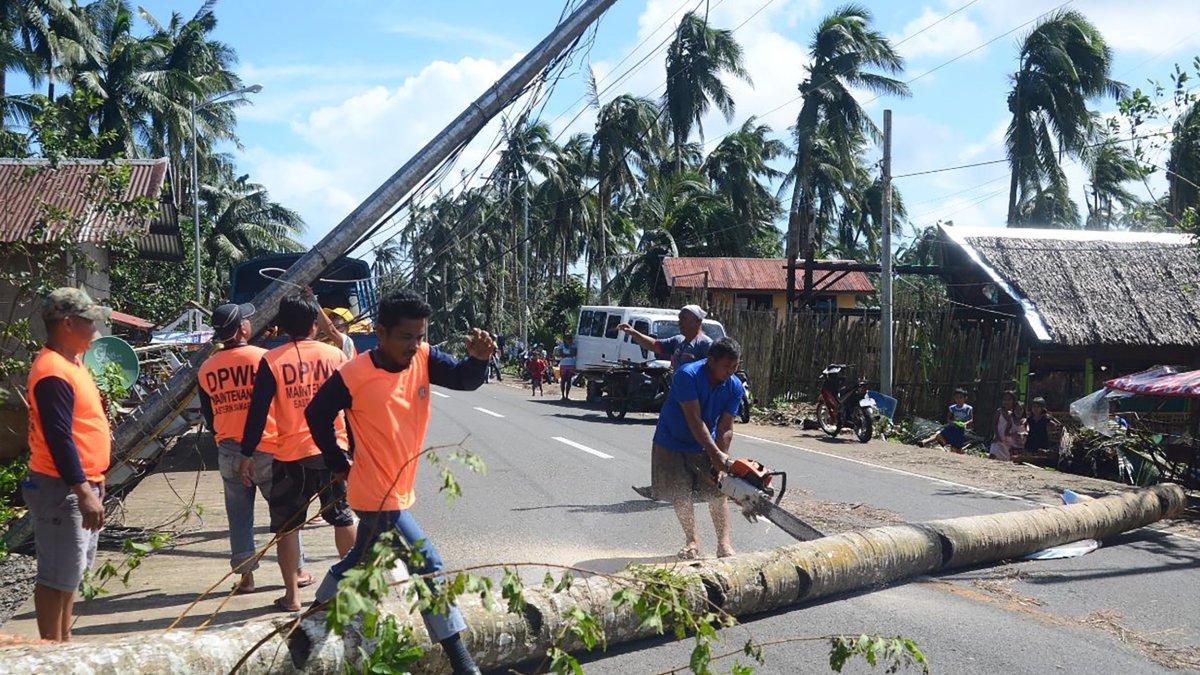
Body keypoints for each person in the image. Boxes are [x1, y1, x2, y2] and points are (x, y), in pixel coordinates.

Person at [306, 289, 493, 675]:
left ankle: (315, 612)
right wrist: (336, 459)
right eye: (406, 337)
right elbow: (316, 413)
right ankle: (462, 663)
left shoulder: (422, 358)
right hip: (375, 492)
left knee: (360, 559)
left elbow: (462, 379)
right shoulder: (354, 373)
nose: (415, 344)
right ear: (380, 333)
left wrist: (477, 361)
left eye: (420, 335)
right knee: (428, 561)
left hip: (400, 488)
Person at [242, 291, 357, 612]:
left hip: (291, 456)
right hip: (333, 452)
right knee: (342, 516)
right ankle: (348, 591)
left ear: (281, 326)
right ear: (313, 324)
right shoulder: (335, 356)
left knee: (287, 527)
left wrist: (247, 454)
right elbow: (354, 407)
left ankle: (292, 597)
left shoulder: (272, 361)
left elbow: (258, 411)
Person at [198, 302, 314, 594]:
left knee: (238, 517)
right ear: (242, 329)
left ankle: (246, 578)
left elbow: (210, 416)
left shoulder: (206, 368)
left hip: (228, 450)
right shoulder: (265, 358)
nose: (250, 323)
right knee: (286, 514)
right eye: (247, 320)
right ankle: (297, 571)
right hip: (270, 447)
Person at [22, 288, 111, 642]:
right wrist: (83, 490)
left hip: (82, 482)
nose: (95, 328)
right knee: (55, 575)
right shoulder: (52, 372)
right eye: (90, 321)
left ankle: (64, 641)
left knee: (70, 573)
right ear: (68, 323)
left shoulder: (71, 363)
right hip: (62, 487)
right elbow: (60, 437)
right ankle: (50, 649)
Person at [647, 337, 744, 560]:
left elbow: (726, 427)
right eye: (726, 366)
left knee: (718, 493)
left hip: (704, 442)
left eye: (735, 367)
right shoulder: (687, 375)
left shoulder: (734, 386)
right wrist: (715, 453)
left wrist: (722, 458)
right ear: (710, 360)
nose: (730, 371)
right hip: (671, 440)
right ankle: (692, 541)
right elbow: (694, 419)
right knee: (681, 493)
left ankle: (723, 544)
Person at [618, 304, 712, 369]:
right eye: (679, 318)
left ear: (698, 322)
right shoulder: (678, 340)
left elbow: (712, 372)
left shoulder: (705, 344)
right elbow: (654, 345)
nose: (679, 322)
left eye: (684, 318)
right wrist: (633, 332)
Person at [921, 388, 973, 453]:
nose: (958, 399)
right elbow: (948, 418)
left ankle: (956, 450)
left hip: (961, 429)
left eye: (961, 397)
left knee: (957, 444)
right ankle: (941, 443)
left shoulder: (968, 408)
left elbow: (971, 419)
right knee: (942, 435)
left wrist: (965, 423)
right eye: (956, 397)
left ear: (965, 398)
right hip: (952, 427)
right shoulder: (952, 408)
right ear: (954, 398)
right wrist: (952, 422)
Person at [988, 390, 1025, 461]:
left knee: (1005, 459)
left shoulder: (1013, 414)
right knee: (993, 455)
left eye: (1009, 400)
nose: (1006, 402)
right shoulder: (999, 411)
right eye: (1004, 400)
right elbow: (994, 424)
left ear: (1013, 401)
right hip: (998, 439)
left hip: (1008, 441)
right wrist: (997, 435)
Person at [556, 334, 577, 400]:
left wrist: (566, 354)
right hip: (563, 364)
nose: (569, 340)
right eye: (568, 338)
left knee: (569, 380)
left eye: (570, 338)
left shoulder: (574, 345)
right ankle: (563, 395)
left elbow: (573, 353)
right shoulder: (562, 345)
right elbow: (560, 354)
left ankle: (567, 395)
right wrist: (568, 355)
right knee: (563, 380)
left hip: (571, 364)